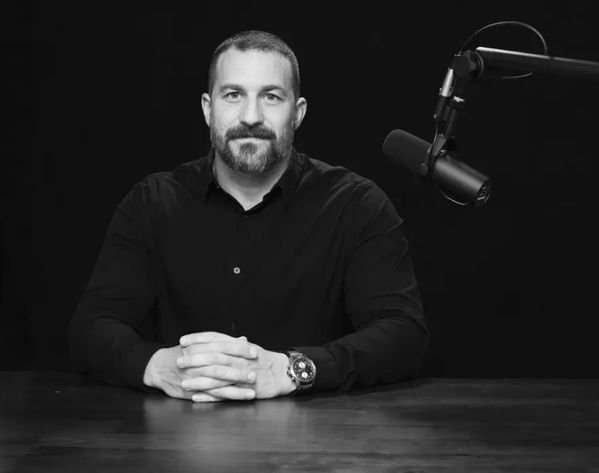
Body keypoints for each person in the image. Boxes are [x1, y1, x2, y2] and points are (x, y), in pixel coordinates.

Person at [68, 30, 429, 402]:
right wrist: (158, 365)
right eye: (233, 95)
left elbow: (404, 335)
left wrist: (293, 369)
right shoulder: (151, 203)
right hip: (175, 431)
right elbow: (90, 328)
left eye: (271, 96)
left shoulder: (356, 205)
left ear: (298, 113)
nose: (251, 116)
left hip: (319, 434)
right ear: (208, 109)